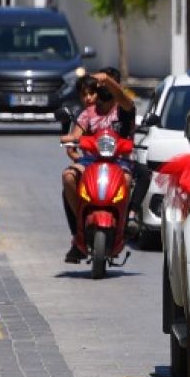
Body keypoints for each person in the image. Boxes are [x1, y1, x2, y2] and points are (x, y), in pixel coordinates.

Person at [59, 68, 136, 263]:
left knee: (126, 180)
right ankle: (81, 228)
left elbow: (126, 101)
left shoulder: (123, 110)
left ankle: (124, 223)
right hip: (91, 162)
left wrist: (108, 81)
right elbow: (75, 136)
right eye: (85, 93)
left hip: (118, 162)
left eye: (94, 91)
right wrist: (72, 143)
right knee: (68, 177)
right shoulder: (87, 114)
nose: (91, 97)